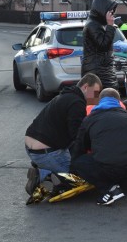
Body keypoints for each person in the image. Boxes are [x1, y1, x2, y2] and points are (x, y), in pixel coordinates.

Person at [71, 88, 127, 205]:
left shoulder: (89, 119)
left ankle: (109, 189)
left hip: (109, 171)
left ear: (99, 101)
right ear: (118, 101)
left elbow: (80, 148)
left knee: (79, 160)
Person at [24, 73, 102, 203]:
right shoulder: (77, 104)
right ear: (85, 87)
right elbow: (77, 137)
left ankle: (43, 167)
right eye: (95, 92)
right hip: (46, 152)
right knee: (79, 178)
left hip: (32, 145)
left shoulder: (65, 96)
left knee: (69, 155)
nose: (96, 97)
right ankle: (42, 176)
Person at [82, 0, 118, 89]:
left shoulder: (97, 23)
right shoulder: (93, 25)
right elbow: (103, 45)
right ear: (102, 10)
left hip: (100, 71)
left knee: (105, 99)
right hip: (97, 73)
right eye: (110, 11)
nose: (112, 13)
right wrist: (110, 26)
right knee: (96, 100)